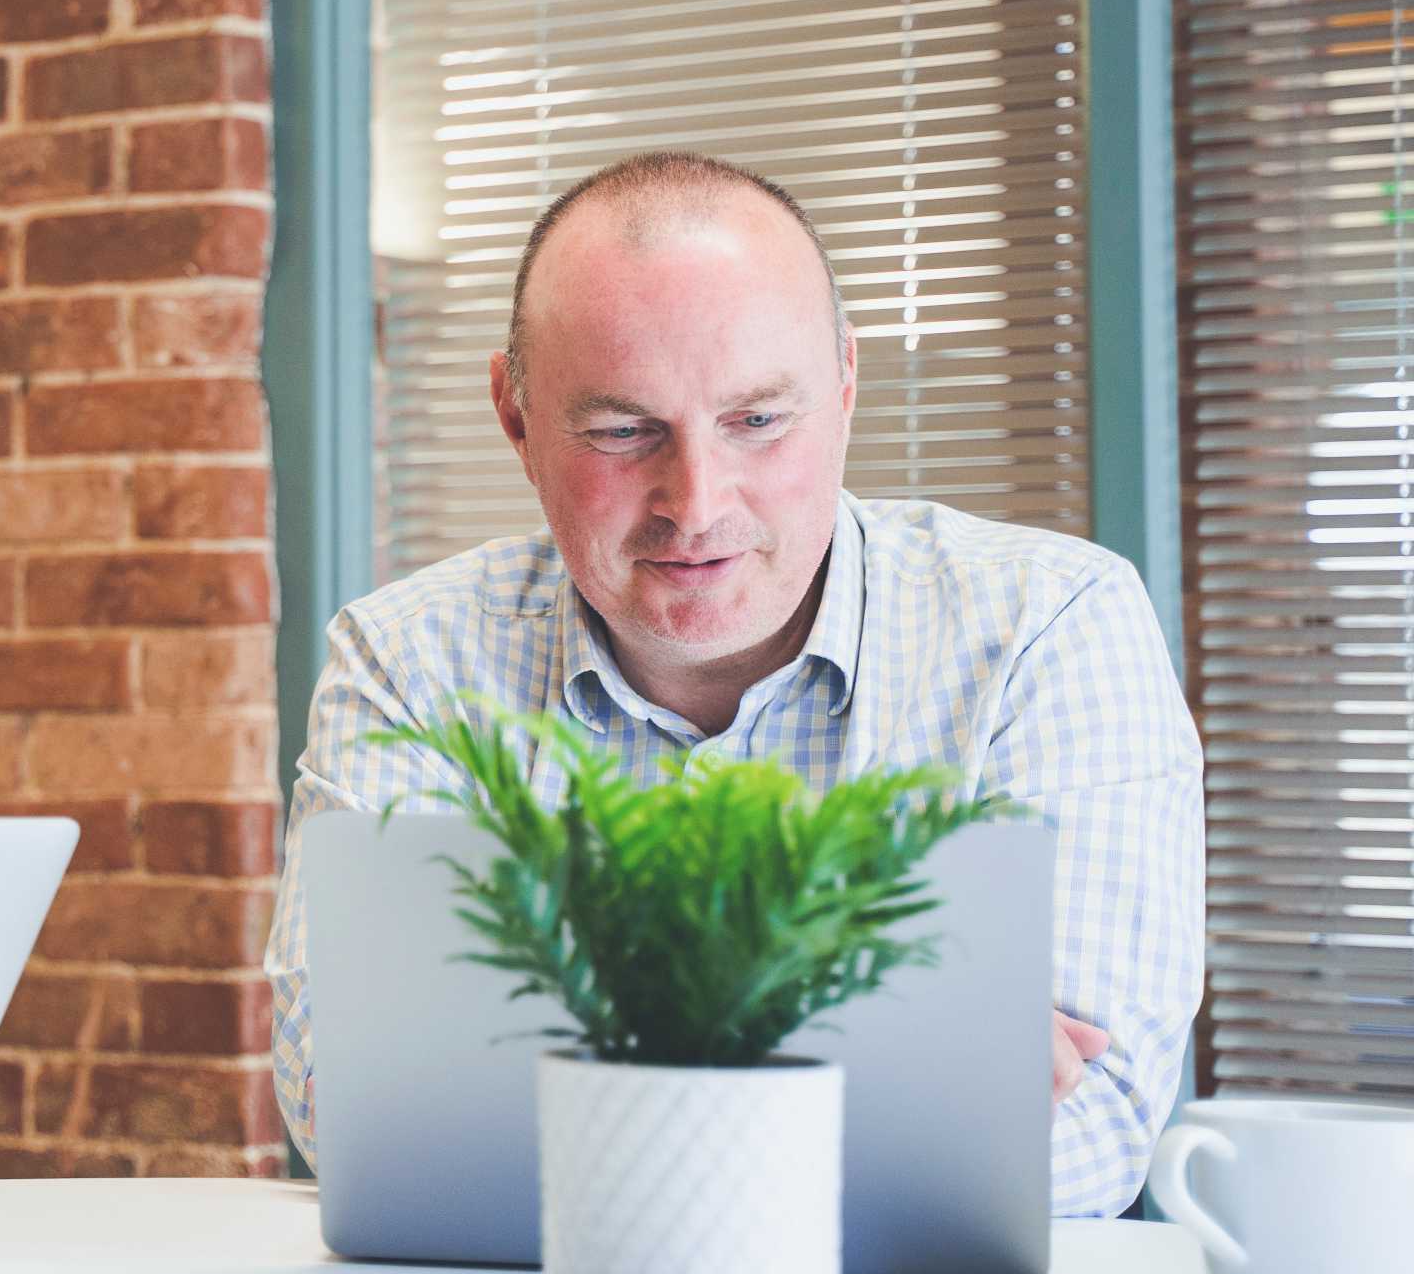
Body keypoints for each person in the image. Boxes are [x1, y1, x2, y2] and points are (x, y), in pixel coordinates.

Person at [265, 152, 1203, 1218]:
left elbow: (1083, 1136)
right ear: (516, 416)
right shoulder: (406, 660)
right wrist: (894, 1056)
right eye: (624, 430)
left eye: (757, 420)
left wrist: (557, 1072)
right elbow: (351, 1101)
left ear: (845, 386)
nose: (696, 502)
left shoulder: (1049, 627)